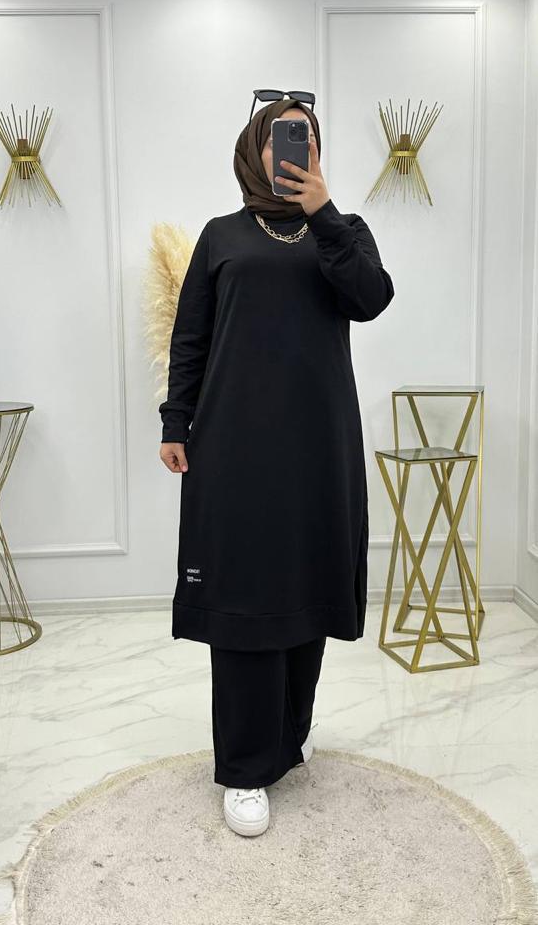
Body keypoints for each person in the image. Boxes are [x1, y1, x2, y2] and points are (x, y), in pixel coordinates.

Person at [158, 96, 395, 837]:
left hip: (317, 444)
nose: (294, 148)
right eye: (281, 137)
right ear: (255, 148)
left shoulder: (343, 231)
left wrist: (324, 214)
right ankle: (243, 765)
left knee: (305, 587)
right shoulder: (221, 235)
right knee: (244, 594)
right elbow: (191, 335)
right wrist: (175, 420)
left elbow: (371, 299)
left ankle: (290, 734)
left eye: (307, 137)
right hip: (233, 444)